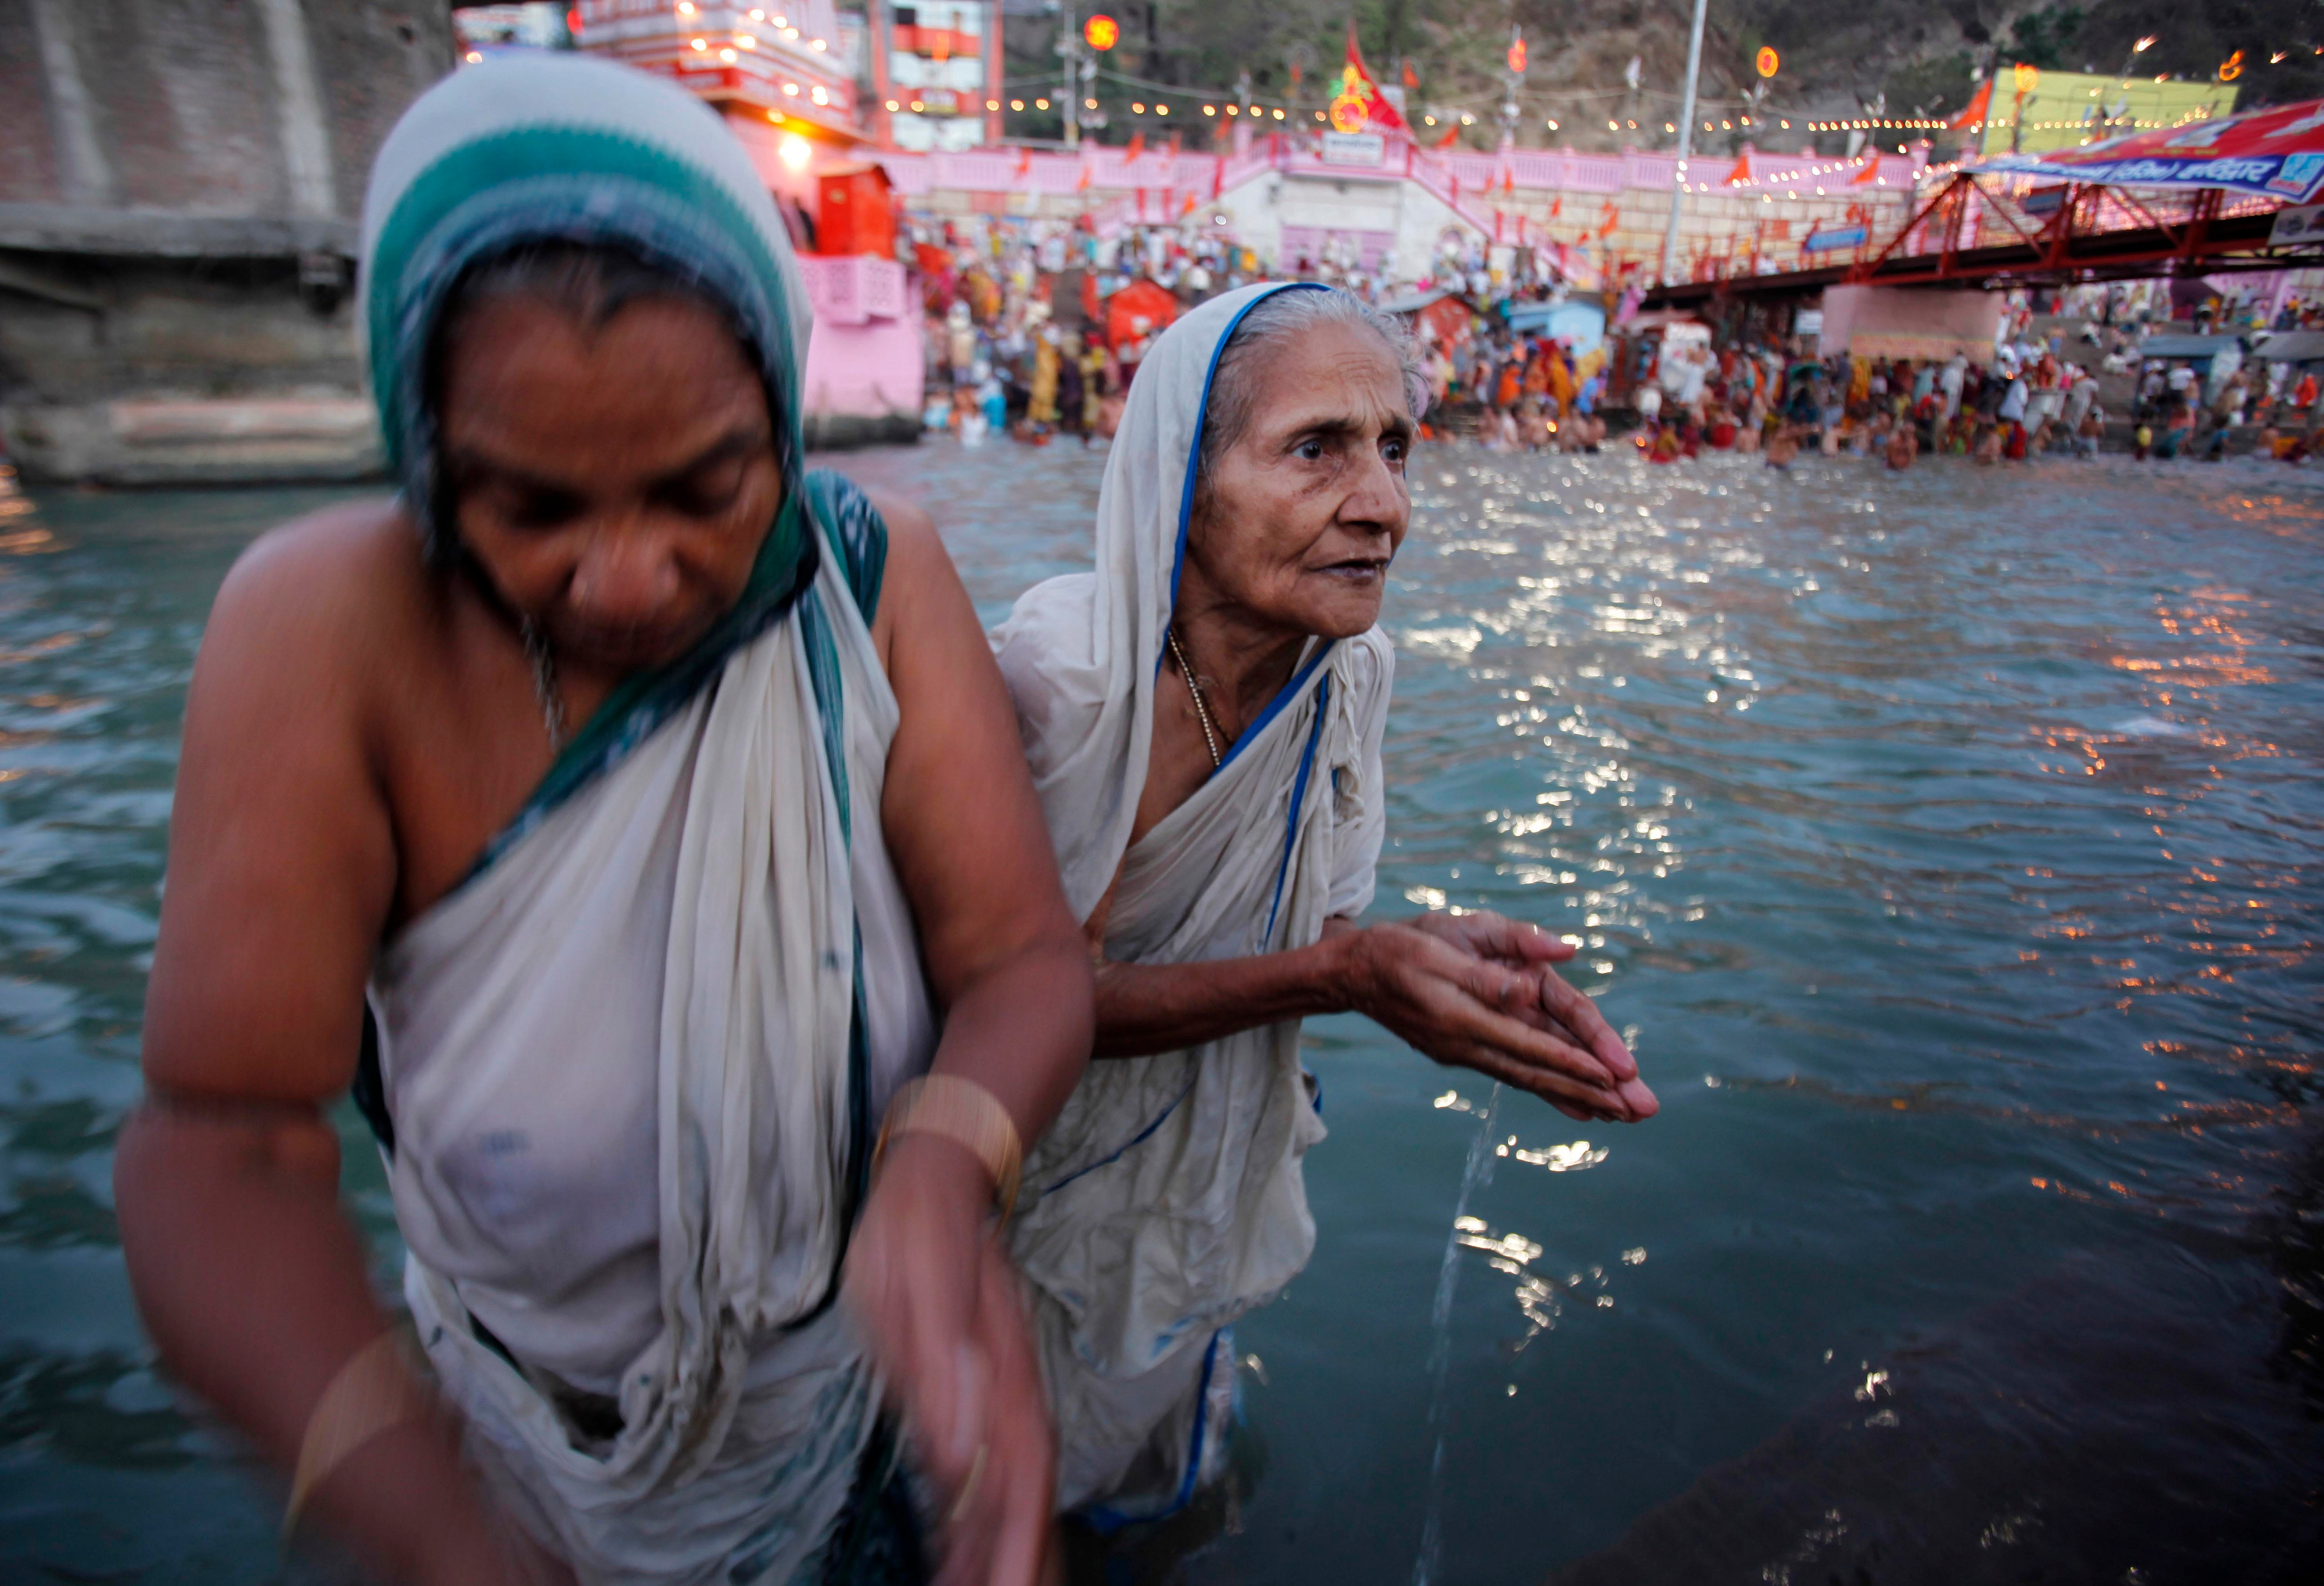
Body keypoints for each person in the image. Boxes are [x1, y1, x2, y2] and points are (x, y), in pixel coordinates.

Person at [113, 57, 1092, 1584]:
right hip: (521, 1477)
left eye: (710, 487)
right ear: (427, 456)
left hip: (859, 1431)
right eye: (533, 509)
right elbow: (219, 1147)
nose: (628, 578)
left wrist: (941, 1169)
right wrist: (446, 1538)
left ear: (783, 409)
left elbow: (1024, 962)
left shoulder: (872, 583)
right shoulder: (329, 635)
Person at [990, 284, 1654, 1524]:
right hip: (1009, 1210)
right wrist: (1342, 979)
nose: (1385, 506)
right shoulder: (1066, 682)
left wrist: (1417, 958)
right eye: (1316, 448)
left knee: (1153, 1509)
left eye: (1395, 446)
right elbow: (1019, 1009)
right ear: (1181, 480)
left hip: (1193, 1205)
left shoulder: (1349, 670)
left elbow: (1316, 931)